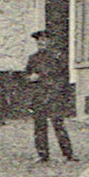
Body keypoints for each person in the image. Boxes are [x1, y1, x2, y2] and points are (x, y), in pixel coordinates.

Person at [23, 29, 75, 162]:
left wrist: (57, 92)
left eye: (45, 40)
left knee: (58, 125)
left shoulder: (58, 57)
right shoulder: (33, 58)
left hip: (54, 95)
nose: (42, 43)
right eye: (39, 40)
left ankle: (68, 154)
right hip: (38, 95)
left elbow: (63, 77)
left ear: (50, 41)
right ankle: (42, 155)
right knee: (39, 126)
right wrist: (30, 78)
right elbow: (26, 76)